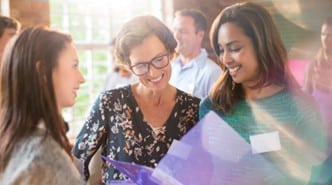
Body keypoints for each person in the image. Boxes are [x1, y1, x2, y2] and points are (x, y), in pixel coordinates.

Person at [199, 2, 327, 184]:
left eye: (235, 48)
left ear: (262, 45)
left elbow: (317, 172)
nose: (226, 59)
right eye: (221, 50)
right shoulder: (212, 106)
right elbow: (203, 169)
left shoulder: (300, 107)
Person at [72, 15, 200, 184]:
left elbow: (204, 172)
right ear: (128, 65)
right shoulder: (110, 103)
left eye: (159, 59)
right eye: (141, 65)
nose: (153, 73)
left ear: (170, 52)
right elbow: (76, 166)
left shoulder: (193, 109)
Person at [0, 27, 85, 185]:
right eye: (74, 66)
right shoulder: (43, 160)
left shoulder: (12, 140)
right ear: (42, 71)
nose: (82, 78)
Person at [170, 9, 222, 99]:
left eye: (182, 31)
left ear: (200, 35)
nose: (176, 36)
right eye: (174, 30)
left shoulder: (212, 73)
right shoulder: (169, 67)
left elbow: (218, 113)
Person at [304, 17, 332, 154]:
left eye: (330, 35)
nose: (325, 38)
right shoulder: (313, 65)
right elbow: (305, 98)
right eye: (323, 34)